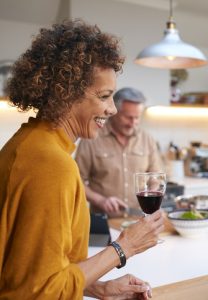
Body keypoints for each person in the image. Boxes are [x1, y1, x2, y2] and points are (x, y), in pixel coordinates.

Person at [0, 19, 164, 299]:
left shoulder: (30, 144)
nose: (112, 109)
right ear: (67, 93)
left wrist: (100, 288)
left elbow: (33, 268)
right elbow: (39, 292)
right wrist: (124, 247)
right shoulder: (51, 165)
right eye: (104, 96)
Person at [75, 87, 163, 217]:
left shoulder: (147, 139)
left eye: (137, 118)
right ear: (114, 112)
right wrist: (101, 201)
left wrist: (153, 190)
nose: (133, 123)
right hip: (105, 221)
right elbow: (76, 181)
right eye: (128, 117)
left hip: (138, 219)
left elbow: (155, 175)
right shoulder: (92, 139)